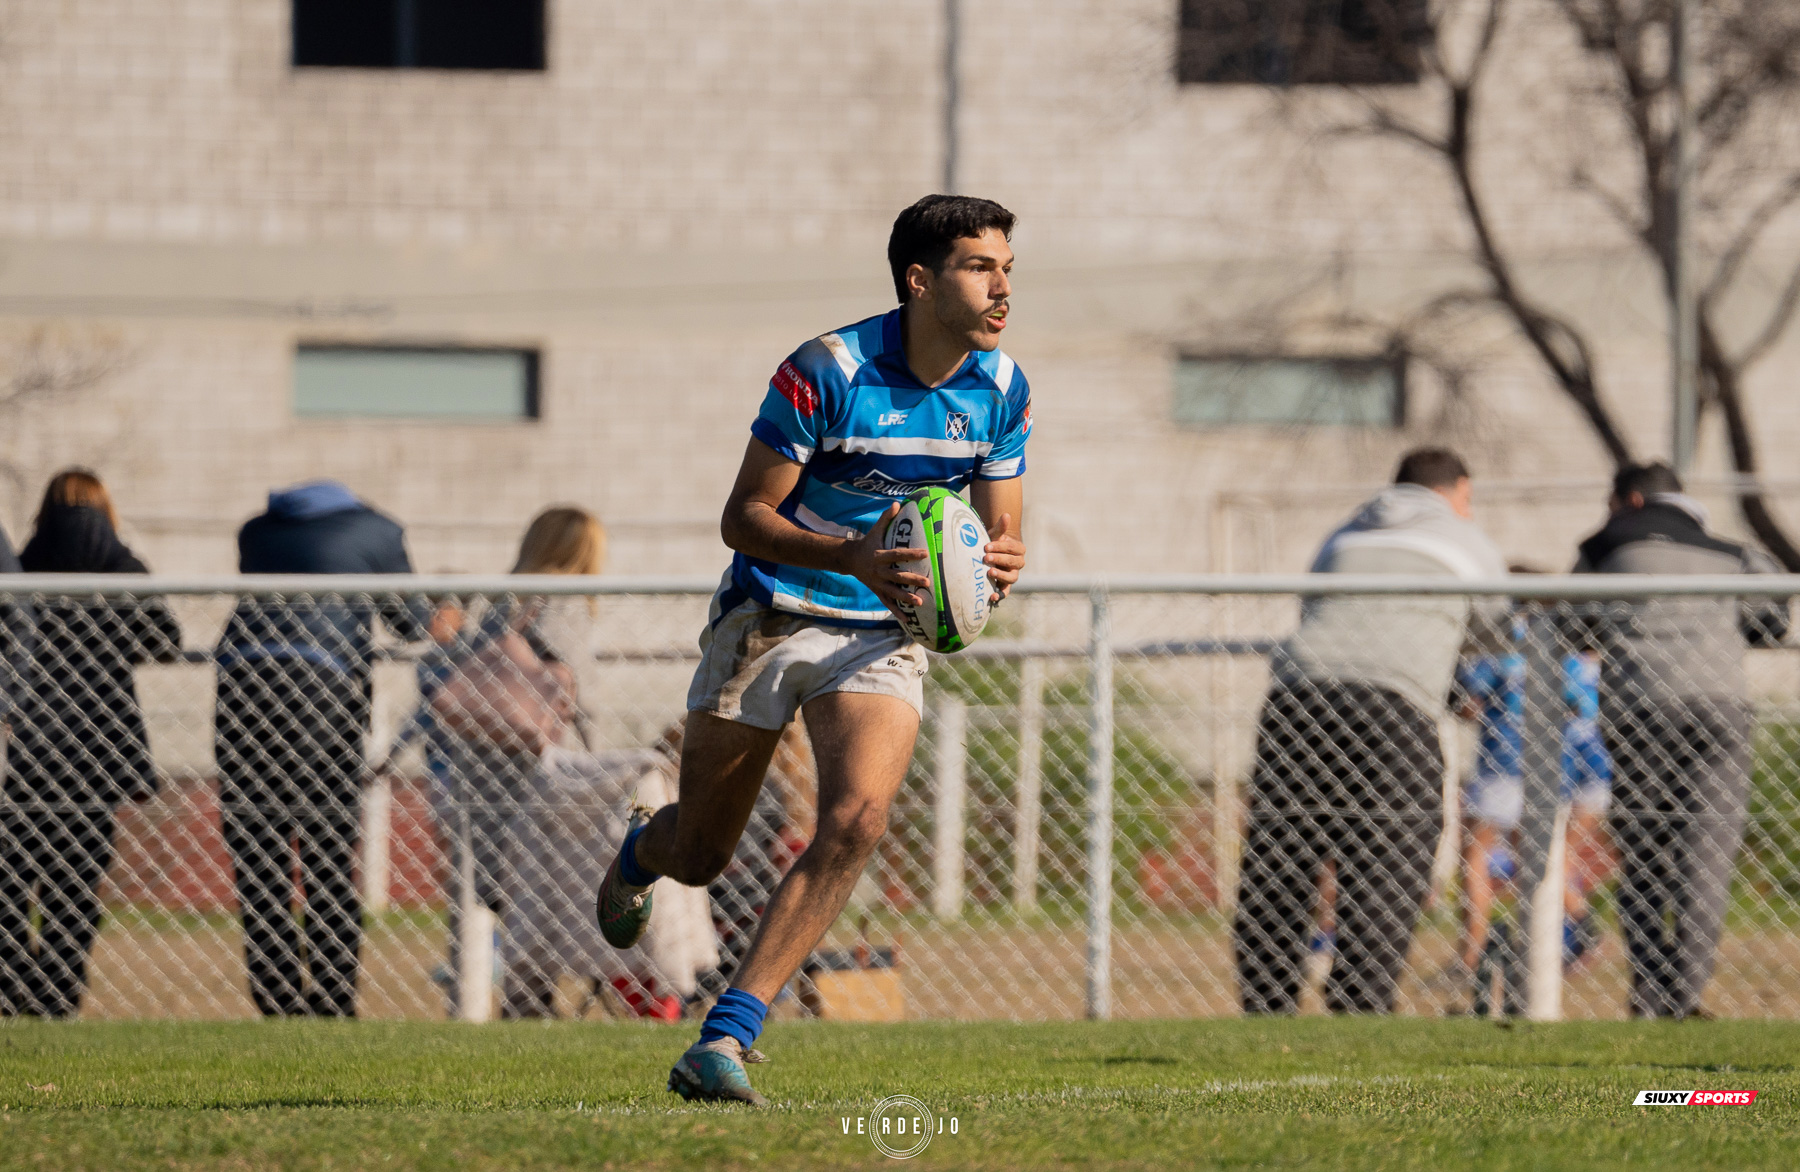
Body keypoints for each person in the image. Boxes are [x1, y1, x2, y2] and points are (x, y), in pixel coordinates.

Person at [595, 194, 1029, 1105]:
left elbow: (1001, 532)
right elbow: (742, 517)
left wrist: (997, 565)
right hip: (772, 612)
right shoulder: (826, 369)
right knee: (703, 854)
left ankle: (727, 1035)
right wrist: (851, 556)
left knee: (858, 819)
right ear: (920, 281)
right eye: (980, 268)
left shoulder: (1003, 389)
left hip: (881, 633)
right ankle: (643, 852)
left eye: (1007, 269)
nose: (1001, 288)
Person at [1235, 448, 1508, 1015]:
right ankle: (1360, 1001)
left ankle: (1267, 1000)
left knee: (1283, 850)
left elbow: (1317, 607)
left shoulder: (1345, 533)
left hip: (1298, 695)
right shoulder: (1465, 538)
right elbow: (1496, 627)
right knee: (1392, 850)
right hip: (1394, 703)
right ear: (1458, 491)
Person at [1572, 463, 1787, 1018]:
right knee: (1707, 853)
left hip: (1640, 707)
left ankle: (1648, 992)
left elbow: (1575, 623)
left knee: (1644, 855)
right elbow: (1771, 621)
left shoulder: (1603, 546)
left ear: (1631, 501)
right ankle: (1686, 992)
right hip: (1718, 708)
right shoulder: (1733, 553)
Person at [213, 480, 422, 1017]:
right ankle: (332, 997)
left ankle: (277, 998)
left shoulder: (256, 532)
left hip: (241, 685)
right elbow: (409, 621)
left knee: (258, 853)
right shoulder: (379, 531)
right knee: (328, 853)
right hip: (324, 693)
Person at [0, 470, 182, 1016]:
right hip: (95, 747)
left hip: (25, 742)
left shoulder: (24, 564)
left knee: (12, 875)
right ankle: (58, 996)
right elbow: (166, 641)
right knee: (76, 880)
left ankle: (10, 990)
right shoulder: (122, 568)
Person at [432, 506, 604, 1018]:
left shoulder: (502, 600)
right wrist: (595, 745)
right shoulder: (564, 601)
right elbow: (576, 683)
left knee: (507, 884)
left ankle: (517, 998)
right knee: (548, 883)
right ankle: (529, 1000)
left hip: (486, 762)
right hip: (542, 761)